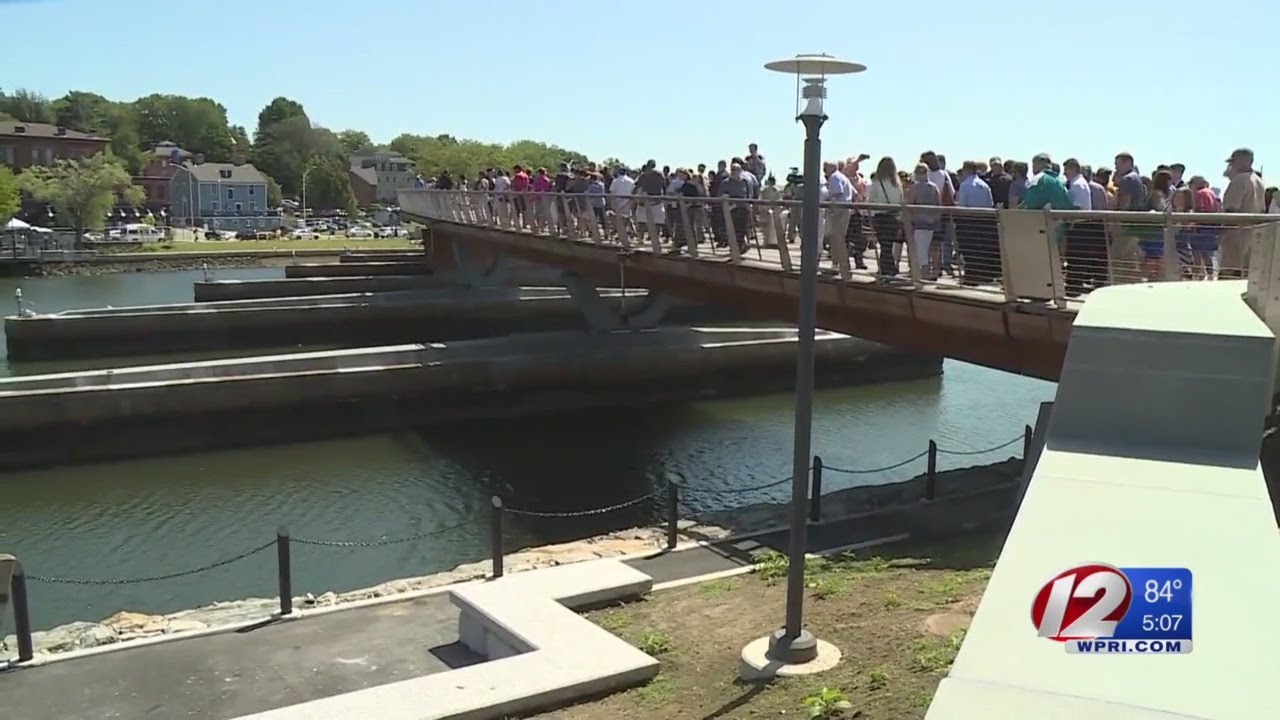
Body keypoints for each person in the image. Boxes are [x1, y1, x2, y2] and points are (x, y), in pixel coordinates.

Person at [866, 156, 904, 277]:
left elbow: (871, 200)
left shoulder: (877, 182)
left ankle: (886, 269)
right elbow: (901, 201)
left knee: (884, 245)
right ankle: (889, 268)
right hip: (893, 216)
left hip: (881, 216)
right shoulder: (897, 184)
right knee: (888, 245)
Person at [905, 163, 941, 279]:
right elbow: (938, 204)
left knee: (921, 249)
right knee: (931, 248)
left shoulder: (915, 188)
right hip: (932, 223)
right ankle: (933, 271)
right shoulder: (933, 187)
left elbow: (909, 204)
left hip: (919, 223)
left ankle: (924, 272)